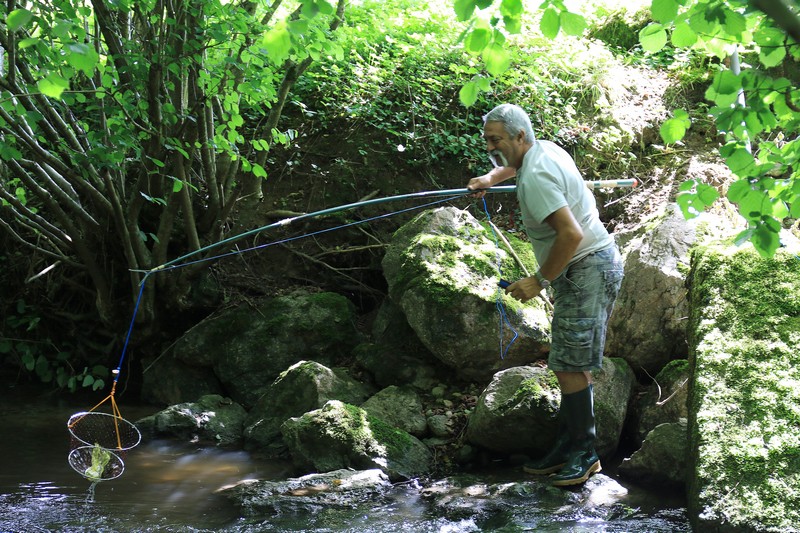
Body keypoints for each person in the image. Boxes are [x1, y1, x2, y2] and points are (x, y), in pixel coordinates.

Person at [467, 103, 623, 487]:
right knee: (570, 360)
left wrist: (538, 280)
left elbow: (569, 234)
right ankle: (568, 445)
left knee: (569, 364)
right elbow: (513, 164)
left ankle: (585, 454)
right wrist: (490, 177)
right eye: (487, 141)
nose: (490, 147)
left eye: (496, 140)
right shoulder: (544, 149)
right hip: (588, 266)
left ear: (520, 137)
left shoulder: (536, 174)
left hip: (586, 268)